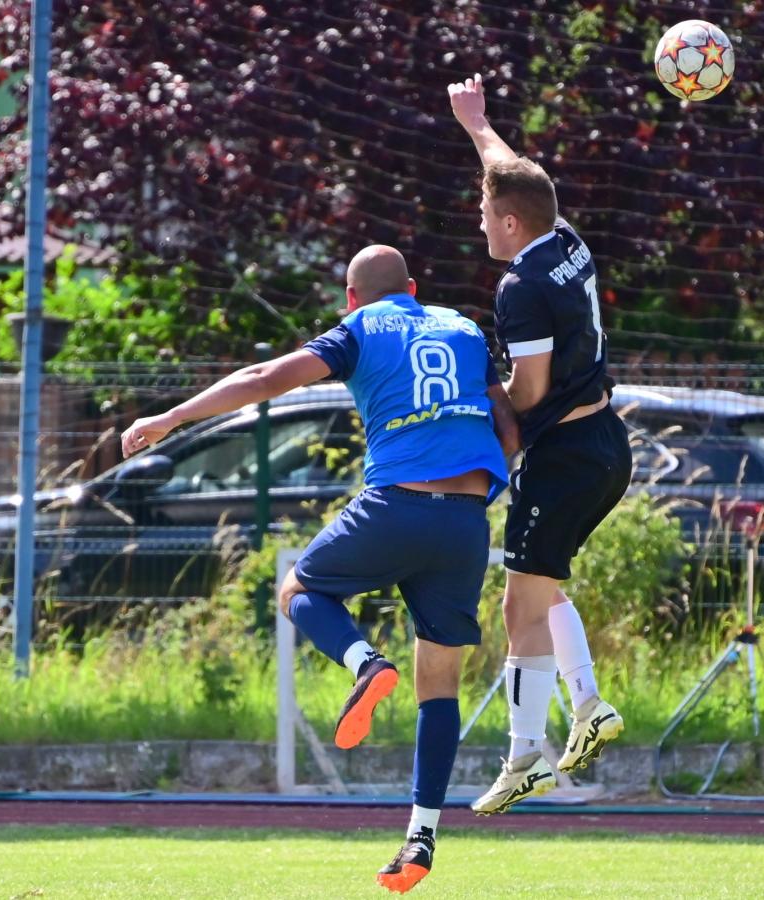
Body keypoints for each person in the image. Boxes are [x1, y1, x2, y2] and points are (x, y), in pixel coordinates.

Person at [121, 245, 516, 893]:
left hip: (397, 503)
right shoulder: (466, 330)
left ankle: (365, 663)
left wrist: (172, 417)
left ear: (351, 298)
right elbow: (509, 426)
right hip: (468, 521)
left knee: (298, 588)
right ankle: (421, 836)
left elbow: (266, 378)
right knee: (440, 683)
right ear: (413, 288)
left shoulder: (360, 327)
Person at [447, 73, 633, 815]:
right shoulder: (565, 237)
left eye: (484, 214)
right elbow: (518, 177)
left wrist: (484, 396)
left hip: (563, 457)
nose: (479, 223)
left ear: (510, 223)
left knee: (521, 605)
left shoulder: (520, 288)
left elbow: (528, 390)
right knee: (536, 593)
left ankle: (539, 747)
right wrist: (476, 125)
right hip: (606, 444)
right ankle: (570, 719)